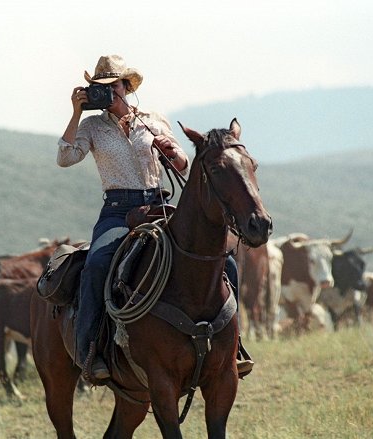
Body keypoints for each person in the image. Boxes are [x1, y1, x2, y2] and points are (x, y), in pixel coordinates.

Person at [56, 54, 250, 383]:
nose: (109, 92)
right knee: (97, 264)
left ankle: (234, 344)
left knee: (223, 261)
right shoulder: (91, 126)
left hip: (160, 203)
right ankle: (92, 350)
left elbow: (184, 166)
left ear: (127, 86)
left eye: (113, 86)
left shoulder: (154, 120)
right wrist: (76, 112)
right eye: (100, 87)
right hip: (117, 210)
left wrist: (172, 153)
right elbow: (65, 157)